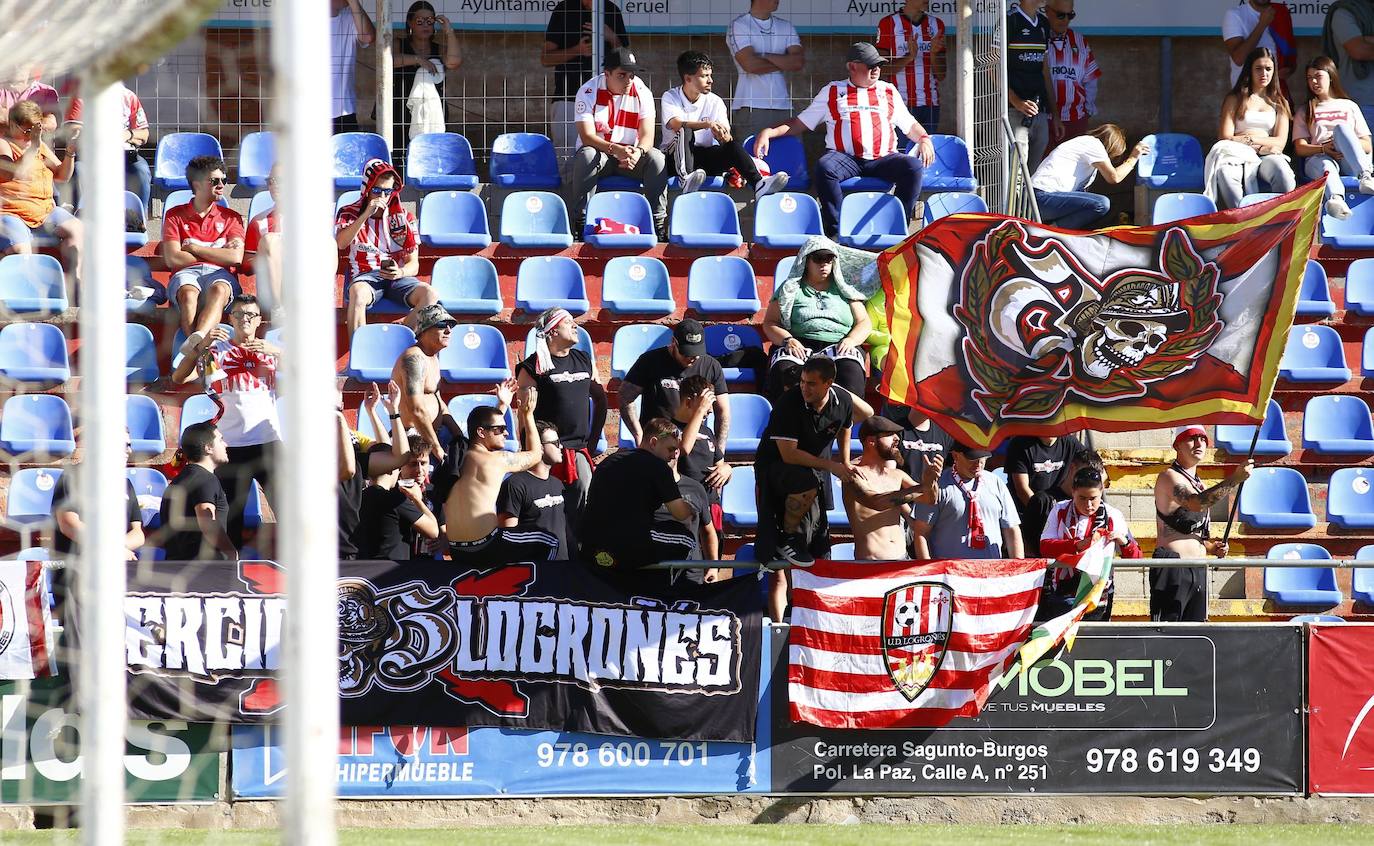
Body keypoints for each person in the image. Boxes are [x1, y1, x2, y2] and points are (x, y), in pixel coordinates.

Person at [753, 42, 933, 238]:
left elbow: (909, 124)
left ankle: (897, 225)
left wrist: (924, 138)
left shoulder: (888, 91)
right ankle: (835, 232)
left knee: (913, 167)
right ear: (852, 66)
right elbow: (800, 123)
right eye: (870, 65)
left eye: (878, 65)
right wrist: (769, 132)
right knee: (824, 167)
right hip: (845, 158)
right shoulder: (832, 91)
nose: (876, 70)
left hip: (883, 158)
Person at [754, 357, 874, 618]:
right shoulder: (789, 403)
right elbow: (789, 455)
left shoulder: (841, 399)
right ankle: (786, 537)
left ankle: (812, 615)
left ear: (828, 384)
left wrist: (843, 461)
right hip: (775, 469)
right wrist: (832, 466)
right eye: (802, 382)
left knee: (819, 547)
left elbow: (849, 424)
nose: (804, 388)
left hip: (813, 472)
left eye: (811, 384)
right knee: (804, 482)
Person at [171, 294, 283, 548]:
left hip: (269, 442)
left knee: (288, 511)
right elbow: (179, 377)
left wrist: (278, 351)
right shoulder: (216, 350)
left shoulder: (271, 351)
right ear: (230, 319)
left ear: (259, 321)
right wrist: (202, 345)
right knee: (230, 517)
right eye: (240, 314)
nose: (246, 319)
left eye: (251, 315)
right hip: (229, 447)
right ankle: (230, 576)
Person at [515, 307, 608, 533]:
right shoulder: (531, 367)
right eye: (569, 322)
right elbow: (523, 414)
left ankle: (577, 555)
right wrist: (530, 451)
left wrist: (594, 437)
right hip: (546, 452)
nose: (575, 326)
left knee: (583, 506)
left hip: (578, 450)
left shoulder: (584, 359)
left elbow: (600, 398)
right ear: (553, 331)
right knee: (547, 507)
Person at [447, 387, 561, 565]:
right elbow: (536, 454)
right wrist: (527, 414)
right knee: (550, 540)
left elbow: (483, 431)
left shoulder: (460, 456)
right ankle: (536, 590)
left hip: (456, 548)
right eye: (500, 429)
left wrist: (502, 405)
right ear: (481, 432)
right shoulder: (497, 460)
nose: (506, 433)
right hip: (487, 545)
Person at [1152, 425, 1253, 622]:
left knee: (1197, 635)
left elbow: (1194, 534)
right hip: (1174, 568)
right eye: (1191, 438)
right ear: (1177, 445)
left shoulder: (1200, 483)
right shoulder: (1169, 476)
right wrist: (1234, 479)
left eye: (1203, 438)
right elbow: (1196, 503)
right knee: (1168, 636)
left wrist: (1212, 547)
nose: (1199, 443)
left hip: (1198, 568)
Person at [567, 48, 668, 239]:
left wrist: (637, 152)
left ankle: (659, 224)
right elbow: (587, 136)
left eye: (631, 75)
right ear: (607, 74)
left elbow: (648, 135)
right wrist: (615, 150)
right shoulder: (588, 91)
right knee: (587, 154)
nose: (628, 81)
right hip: (601, 156)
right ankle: (580, 224)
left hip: (629, 157)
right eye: (622, 75)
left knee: (656, 157)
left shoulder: (641, 91)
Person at [336, 158, 439, 342]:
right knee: (358, 293)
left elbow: (413, 265)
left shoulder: (405, 218)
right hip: (365, 276)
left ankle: (397, 343)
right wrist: (366, 213)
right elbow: (341, 243)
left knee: (430, 294)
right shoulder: (348, 212)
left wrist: (399, 272)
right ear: (367, 189)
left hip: (397, 278)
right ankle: (359, 354)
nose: (382, 196)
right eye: (376, 190)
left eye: (387, 191)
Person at [661, 50, 788, 199]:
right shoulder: (670, 96)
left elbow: (726, 137)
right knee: (685, 130)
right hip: (673, 160)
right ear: (688, 78)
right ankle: (686, 179)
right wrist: (708, 125)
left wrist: (722, 135)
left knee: (732, 146)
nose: (710, 81)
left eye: (710, 75)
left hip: (703, 161)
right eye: (704, 76)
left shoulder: (715, 101)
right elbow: (676, 124)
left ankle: (759, 183)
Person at [761, 236, 876, 399]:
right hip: (800, 343)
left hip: (839, 344)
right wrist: (787, 340)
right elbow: (770, 322)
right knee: (783, 370)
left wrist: (851, 340)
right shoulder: (790, 288)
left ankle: (845, 424)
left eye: (829, 259)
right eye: (818, 258)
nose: (824, 264)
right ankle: (788, 422)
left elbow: (864, 322)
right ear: (806, 261)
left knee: (851, 372)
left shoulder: (845, 288)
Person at [578, 417, 697, 570]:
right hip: (627, 548)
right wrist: (691, 509)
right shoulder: (659, 468)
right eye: (671, 449)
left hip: (591, 546)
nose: (675, 455)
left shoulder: (608, 461)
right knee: (686, 539)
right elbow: (680, 514)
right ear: (653, 442)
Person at [1036, 464, 1139, 622]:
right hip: (1064, 593)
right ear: (1073, 492)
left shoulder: (1113, 515)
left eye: (1093, 498)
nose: (1088, 505)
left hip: (1098, 594)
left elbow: (1135, 558)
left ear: (1101, 492)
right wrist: (1077, 545)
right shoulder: (1060, 509)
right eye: (1082, 498)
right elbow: (1044, 547)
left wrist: (1124, 542)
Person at [162, 155, 243, 353]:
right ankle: (198, 348)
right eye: (215, 181)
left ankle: (195, 345)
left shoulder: (232, 218)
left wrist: (194, 248)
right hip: (186, 274)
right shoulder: (174, 215)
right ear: (197, 185)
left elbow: (235, 258)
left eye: (224, 180)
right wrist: (218, 252)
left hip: (220, 275)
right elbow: (173, 258)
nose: (222, 185)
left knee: (220, 290)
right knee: (188, 294)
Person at [620, 318, 729, 455]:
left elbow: (723, 412)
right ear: (673, 343)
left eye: (697, 352)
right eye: (687, 353)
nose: (693, 357)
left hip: (693, 439)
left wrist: (719, 453)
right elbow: (625, 396)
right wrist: (638, 435)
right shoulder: (650, 361)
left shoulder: (711, 366)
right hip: (658, 441)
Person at [1207, 47, 1297, 211]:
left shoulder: (1280, 103)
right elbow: (1226, 137)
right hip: (1236, 153)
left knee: (1283, 171)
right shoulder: (1235, 98)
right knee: (1226, 174)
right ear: (1250, 70)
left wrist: (1248, 139)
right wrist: (1258, 143)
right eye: (1259, 68)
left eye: (1268, 69)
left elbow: (1280, 142)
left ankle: (1279, 219)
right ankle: (1245, 222)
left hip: (1265, 155)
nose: (1264, 73)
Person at [841, 416, 941, 561]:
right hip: (870, 566)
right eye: (889, 434)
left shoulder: (897, 475)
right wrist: (923, 487)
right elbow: (877, 502)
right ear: (871, 441)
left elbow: (929, 499)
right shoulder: (852, 475)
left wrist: (932, 480)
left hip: (902, 559)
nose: (897, 439)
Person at [355, 390, 439, 561]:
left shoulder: (357, 496)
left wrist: (373, 413)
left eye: (423, 463)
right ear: (392, 469)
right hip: (394, 575)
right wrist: (416, 500)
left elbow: (383, 448)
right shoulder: (396, 499)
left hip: (362, 572)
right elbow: (433, 530)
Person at [0, 101, 80, 278]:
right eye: (27, 132)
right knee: (22, 252)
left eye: (35, 132)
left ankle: (75, 284)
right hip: (10, 213)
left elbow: (62, 176)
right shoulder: (4, 144)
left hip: (44, 212)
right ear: (13, 125)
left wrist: (70, 152)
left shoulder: (39, 146)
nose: (31, 137)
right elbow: (10, 174)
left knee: (78, 230)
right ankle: (21, 294)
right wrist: (33, 148)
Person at [541, 0, 629, 158]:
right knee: (567, 160)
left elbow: (626, 60)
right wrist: (578, 50)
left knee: (606, 159)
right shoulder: (564, 9)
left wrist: (612, 37)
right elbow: (546, 59)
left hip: (607, 101)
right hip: (568, 98)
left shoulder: (611, 10)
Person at [337, 386, 417, 560]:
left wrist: (387, 411)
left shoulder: (354, 443)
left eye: (338, 409)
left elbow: (395, 455)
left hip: (352, 549)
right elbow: (346, 470)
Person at [910, 440, 1024, 561]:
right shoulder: (938, 485)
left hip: (990, 572)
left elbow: (1012, 529)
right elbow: (921, 532)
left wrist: (1018, 567)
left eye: (983, 457)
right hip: (950, 574)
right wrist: (929, 573)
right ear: (955, 455)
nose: (978, 463)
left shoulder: (996, 483)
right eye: (972, 458)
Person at [378, 1, 461, 163]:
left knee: (431, 155)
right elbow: (386, 60)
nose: (425, 25)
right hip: (399, 109)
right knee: (400, 156)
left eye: (430, 21)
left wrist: (449, 31)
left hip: (432, 110)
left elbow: (454, 62)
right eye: (420, 21)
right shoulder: (398, 44)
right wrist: (417, 60)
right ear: (410, 23)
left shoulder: (439, 48)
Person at [1293, 55, 1374, 221]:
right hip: (1318, 158)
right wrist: (1324, 149)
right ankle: (1336, 201)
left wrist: (1340, 145)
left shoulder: (1349, 106)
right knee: (1325, 163)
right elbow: (1300, 147)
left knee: (1341, 128)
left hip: (1349, 161)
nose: (1314, 82)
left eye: (1318, 77)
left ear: (1330, 76)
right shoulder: (1305, 110)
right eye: (1309, 78)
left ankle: (1366, 176)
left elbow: (1367, 145)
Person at [50, 431, 144, 562]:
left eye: (129, 445)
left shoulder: (125, 484)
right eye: (123, 445)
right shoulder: (71, 476)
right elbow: (68, 524)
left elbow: (138, 533)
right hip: (76, 571)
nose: (129, 451)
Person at [1031, 123, 1146, 230]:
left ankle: (1056, 228)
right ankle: (1053, 230)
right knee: (1101, 204)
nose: (1111, 159)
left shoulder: (1084, 149)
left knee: (1097, 206)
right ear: (1112, 146)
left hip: (1042, 199)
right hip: (1041, 197)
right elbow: (1114, 177)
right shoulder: (1094, 144)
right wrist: (1133, 158)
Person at [60, 79, 151, 212]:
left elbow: (144, 134)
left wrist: (127, 135)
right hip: (91, 155)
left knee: (141, 170)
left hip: (124, 155)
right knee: (79, 170)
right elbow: (72, 128)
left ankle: (138, 217)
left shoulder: (129, 96)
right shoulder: (81, 96)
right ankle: (80, 215)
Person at [391, 303, 461, 466]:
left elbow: (437, 399)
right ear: (424, 330)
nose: (449, 330)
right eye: (442, 325)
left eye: (451, 325)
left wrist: (458, 435)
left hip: (434, 436)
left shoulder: (432, 357)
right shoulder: (414, 359)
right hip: (415, 442)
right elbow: (416, 409)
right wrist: (437, 450)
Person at [726, 0, 805, 144]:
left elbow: (798, 62)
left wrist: (764, 56)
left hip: (784, 106)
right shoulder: (739, 25)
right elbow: (750, 66)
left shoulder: (786, 26)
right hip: (751, 106)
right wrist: (784, 61)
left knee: (787, 160)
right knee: (754, 161)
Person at [157, 422, 237, 562]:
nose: (226, 445)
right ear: (208, 448)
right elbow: (207, 522)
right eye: (220, 440)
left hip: (175, 567)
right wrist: (232, 553)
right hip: (205, 571)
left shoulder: (179, 480)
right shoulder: (206, 479)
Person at [667, 375, 734, 528]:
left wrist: (727, 470)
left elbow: (720, 466)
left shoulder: (707, 432)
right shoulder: (666, 429)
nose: (707, 412)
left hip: (710, 506)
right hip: (685, 505)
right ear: (688, 402)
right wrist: (699, 411)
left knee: (713, 550)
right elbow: (683, 448)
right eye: (704, 407)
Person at [497, 420, 570, 559]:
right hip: (534, 573)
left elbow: (566, 532)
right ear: (539, 447)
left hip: (562, 571)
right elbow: (507, 537)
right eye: (555, 443)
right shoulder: (515, 485)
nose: (561, 446)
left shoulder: (558, 484)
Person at [1006, 433, 1084, 556]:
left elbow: (1095, 465)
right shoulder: (1020, 443)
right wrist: (1044, 515)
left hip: (1059, 517)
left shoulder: (1070, 442)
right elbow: (1022, 489)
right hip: (1028, 517)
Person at [875, 0, 945, 129]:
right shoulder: (888, 23)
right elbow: (881, 70)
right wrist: (910, 57)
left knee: (926, 148)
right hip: (899, 103)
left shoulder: (936, 24)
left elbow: (941, 75)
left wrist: (933, 54)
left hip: (930, 104)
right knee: (901, 149)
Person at [1043, 0, 1099, 153]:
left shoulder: (1080, 41)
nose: (1066, 20)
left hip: (1076, 120)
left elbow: (1091, 79)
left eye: (1070, 15)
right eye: (1061, 15)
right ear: (1047, 11)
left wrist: (1088, 110)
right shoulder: (1037, 37)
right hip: (1043, 119)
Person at [1007, 0, 1051, 171]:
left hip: (1040, 111)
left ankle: (1030, 199)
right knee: (1016, 172)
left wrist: (1053, 112)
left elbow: (1045, 69)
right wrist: (1016, 101)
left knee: (1033, 173)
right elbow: (992, 67)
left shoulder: (1044, 23)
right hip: (1014, 111)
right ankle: (1012, 200)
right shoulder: (1010, 20)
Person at [1323, 0, 1374, 127]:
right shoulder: (1345, 12)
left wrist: (1367, 39)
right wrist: (1362, 42)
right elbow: (1359, 50)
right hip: (1363, 101)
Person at [243, 166, 283, 320]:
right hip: (273, 286)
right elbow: (246, 266)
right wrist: (267, 256)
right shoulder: (259, 221)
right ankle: (278, 310)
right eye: (270, 181)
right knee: (270, 241)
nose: (274, 185)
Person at [331, 0, 376, 133]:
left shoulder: (350, 16)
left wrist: (354, 3)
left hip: (343, 111)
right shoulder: (303, 18)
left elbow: (368, 37)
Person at [1224, 0, 1291, 89]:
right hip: (1246, 93)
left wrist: (1290, 69)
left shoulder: (1280, 12)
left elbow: (1290, 53)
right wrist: (1262, 24)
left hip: (1274, 92)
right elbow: (1238, 59)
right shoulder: (1234, 15)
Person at [0, 65, 58, 132]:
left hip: (34, 139)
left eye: (22, 64)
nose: (16, 68)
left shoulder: (46, 91)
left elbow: (50, 122)